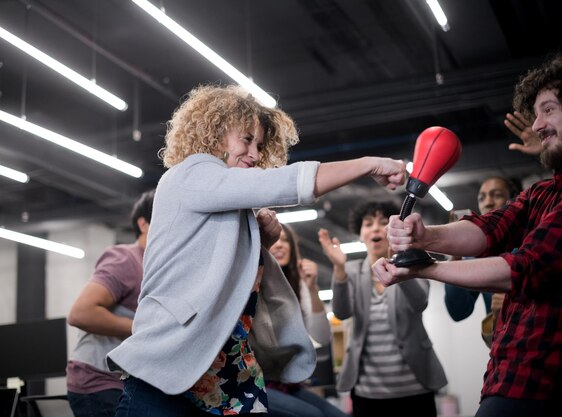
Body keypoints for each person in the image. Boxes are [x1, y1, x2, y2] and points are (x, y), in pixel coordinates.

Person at [105, 84, 406, 417]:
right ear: (214, 133)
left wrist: (259, 243)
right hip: (170, 362)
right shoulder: (190, 174)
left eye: (259, 145)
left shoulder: (230, 204)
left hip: (223, 370)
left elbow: (221, 274)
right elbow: (280, 183)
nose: (254, 153)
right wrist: (369, 164)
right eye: (246, 140)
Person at [373, 53, 562, 417]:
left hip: (540, 383)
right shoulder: (542, 194)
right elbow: (489, 229)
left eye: (548, 110)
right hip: (510, 377)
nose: (537, 125)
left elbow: (521, 268)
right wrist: (425, 235)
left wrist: (424, 267)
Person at [318, 201, 446, 417]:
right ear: (360, 234)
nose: (375, 228)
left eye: (384, 223)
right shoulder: (349, 270)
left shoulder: (411, 263)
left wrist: (401, 268)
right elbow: (341, 312)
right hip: (368, 392)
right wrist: (339, 269)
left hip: (414, 387)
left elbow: (419, 303)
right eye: (368, 224)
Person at [65, 189, 156, 417]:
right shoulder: (126, 259)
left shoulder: (157, 265)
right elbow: (81, 313)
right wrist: (144, 330)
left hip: (126, 381)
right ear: (143, 224)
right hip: (98, 382)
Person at [266, 223, 349, 417]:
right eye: (275, 239)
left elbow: (322, 337)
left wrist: (312, 288)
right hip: (256, 382)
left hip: (286, 383)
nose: (280, 245)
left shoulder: (298, 284)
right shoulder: (255, 282)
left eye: (286, 240)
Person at [443, 176, 519, 347]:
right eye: (482, 198)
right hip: (502, 351)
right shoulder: (478, 256)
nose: (488, 203)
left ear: (515, 201)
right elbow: (459, 311)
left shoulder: (533, 243)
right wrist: (455, 253)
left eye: (496, 195)